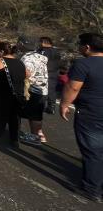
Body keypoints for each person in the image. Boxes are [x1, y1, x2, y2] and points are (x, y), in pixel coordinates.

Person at [60, 33, 103, 203]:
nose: (79, 47)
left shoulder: (83, 63)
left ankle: (91, 189)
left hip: (91, 112)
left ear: (87, 47)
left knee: (92, 150)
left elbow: (73, 87)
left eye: (80, 44)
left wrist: (64, 104)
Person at [16, 36, 49, 145]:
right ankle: (38, 135)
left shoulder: (27, 58)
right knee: (36, 114)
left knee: (21, 112)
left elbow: (27, 73)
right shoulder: (41, 56)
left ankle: (34, 137)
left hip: (31, 89)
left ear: (22, 44)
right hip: (42, 89)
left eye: (18, 43)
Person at [39, 36, 61, 114]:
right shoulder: (57, 51)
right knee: (51, 90)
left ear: (43, 42)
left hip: (44, 72)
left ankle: (40, 105)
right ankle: (51, 107)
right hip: (54, 72)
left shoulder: (42, 51)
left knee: (41, 89)